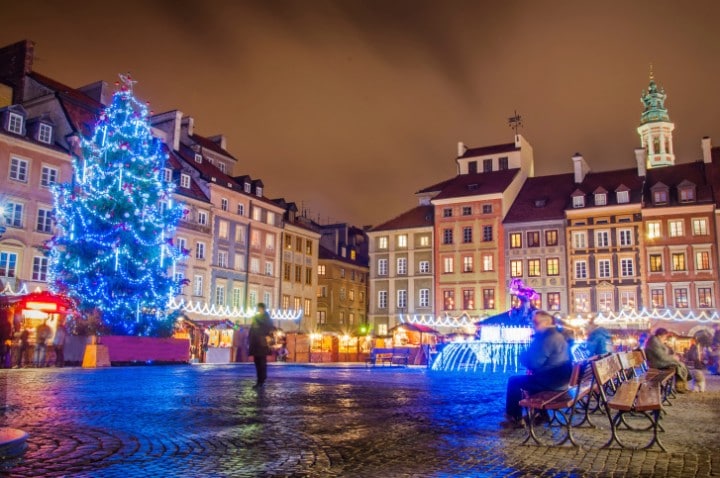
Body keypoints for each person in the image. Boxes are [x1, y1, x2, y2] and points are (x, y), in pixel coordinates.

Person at [500, 310, 573, 429]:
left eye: (536, 322)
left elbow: (533, 363)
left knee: (514, 381)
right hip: (560, 381)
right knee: (529, 380)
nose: (533, 325)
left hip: (553, 384)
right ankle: (539, 415)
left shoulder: (547, 338)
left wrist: (522, 355)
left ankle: (514, 418)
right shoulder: (557, 335)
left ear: (545, 323)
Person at [644, 328, 690, 393]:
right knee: (679, 365)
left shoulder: (657, 342)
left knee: (680, 364)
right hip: (656, 363)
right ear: (659, 336)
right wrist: (673, 358)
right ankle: (680, 387)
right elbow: (662, 357)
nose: (665, 338)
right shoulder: (654, 342)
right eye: (665, 336)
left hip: (658, 361)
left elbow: (664, 354)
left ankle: (681, 386)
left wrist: (672, 355)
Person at [248, 303, 274, 388]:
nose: (258, 310)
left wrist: (256, 319)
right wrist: (249, 339)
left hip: (262, 344)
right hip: (255, 344)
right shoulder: (256, 318)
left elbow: (267, 327)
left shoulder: (267, 318)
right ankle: (259, 380)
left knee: (262, 362)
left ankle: (261, 380)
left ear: (262, 309)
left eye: (258, 308)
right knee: (257, 362)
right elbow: (252, 330)